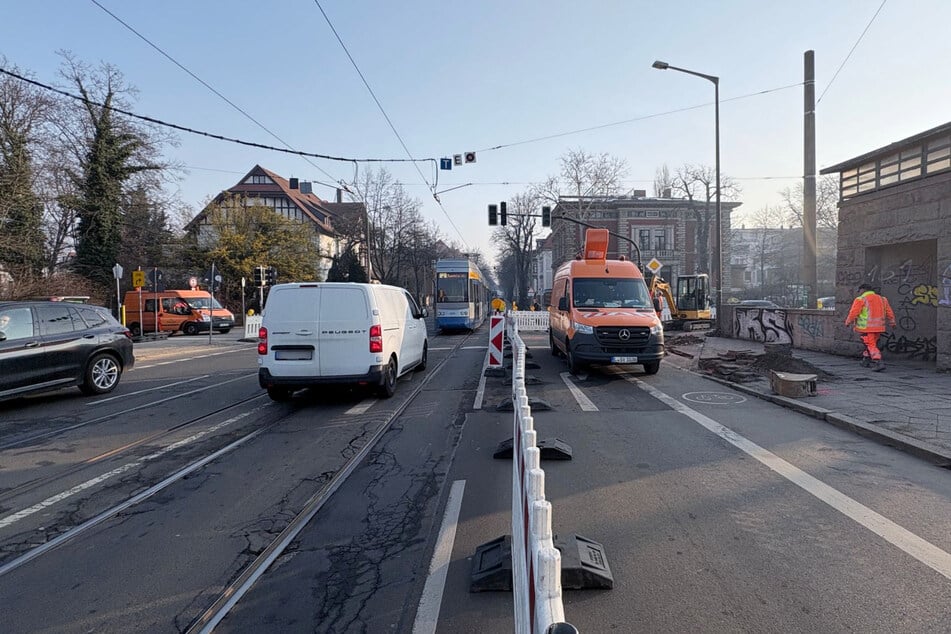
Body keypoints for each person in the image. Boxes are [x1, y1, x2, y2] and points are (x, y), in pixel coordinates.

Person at [845, 283, 896, 372]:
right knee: (870, 344)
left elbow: (854, 313)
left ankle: (878, 362)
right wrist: (892, 322)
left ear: (863, 290)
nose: (859, 293)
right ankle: (866, 360)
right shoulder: (882, 299)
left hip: (866, 328)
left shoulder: (861, 299)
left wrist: (848, 322)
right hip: (879, 328)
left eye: (859, 291)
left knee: (870, 345)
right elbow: (889, 312)